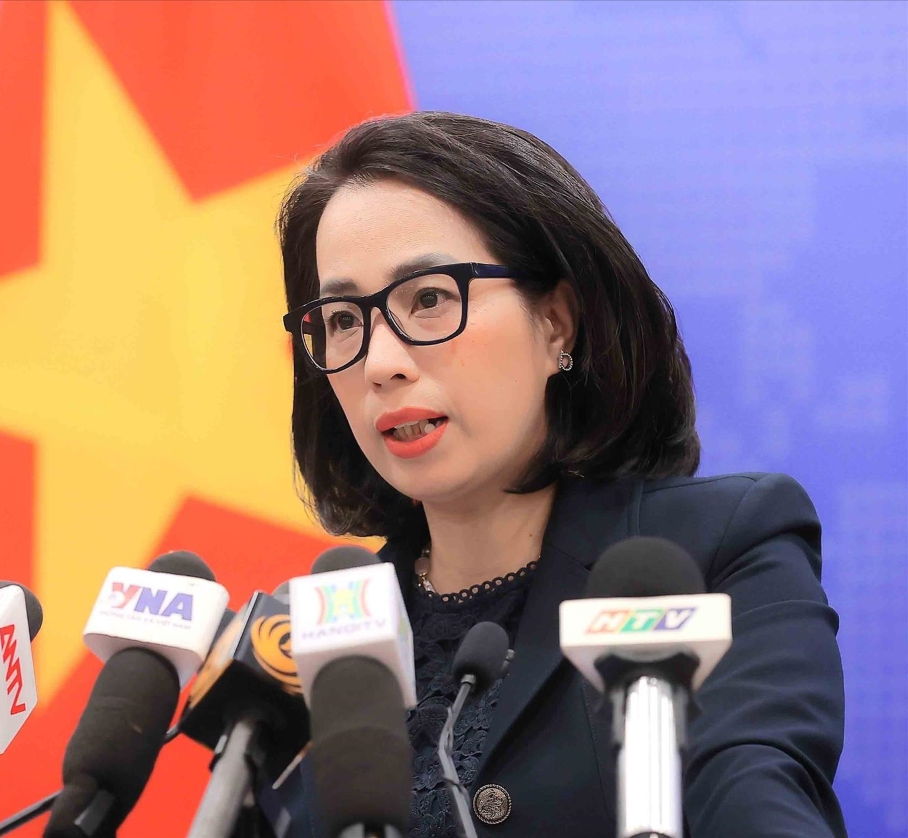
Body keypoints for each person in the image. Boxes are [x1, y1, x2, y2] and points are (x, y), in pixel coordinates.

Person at [268, 112, 845, 837]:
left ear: (556, 324)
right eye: (344, 319)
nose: (380, 363)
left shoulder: (719, 552)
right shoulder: (313, 643)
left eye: (430, 299)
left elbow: (754, 791)